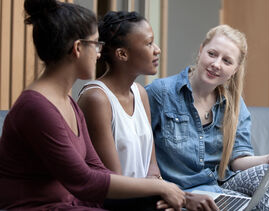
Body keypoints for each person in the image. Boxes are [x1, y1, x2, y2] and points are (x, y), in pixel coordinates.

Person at [0, 1, 185, 210]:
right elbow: (84, 181)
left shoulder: (68, 102)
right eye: (96, 44)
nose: (99, 53)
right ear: (78, 48)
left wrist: (162, 192)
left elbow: (98, 169)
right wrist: (163, 189)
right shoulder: (36, 108)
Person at [146, 24, 269, 210]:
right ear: (201, 50)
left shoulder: (235, 104)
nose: (216, 64)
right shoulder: (161, 93)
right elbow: (140, 155)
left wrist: (268, 160)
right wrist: (163, 192)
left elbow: (237, 160)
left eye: (227, 61)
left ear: (235, 69)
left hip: (219, 187)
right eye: (212, 54)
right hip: (181, 192)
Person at [78, 11, 218, 211]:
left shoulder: (141, 93)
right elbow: (113, 182)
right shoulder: (96, 99)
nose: (157, 50)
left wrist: (163, 194)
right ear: (122, 54)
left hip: (144, 200)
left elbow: (152, 166)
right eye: (149, 43)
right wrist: (178, 196)